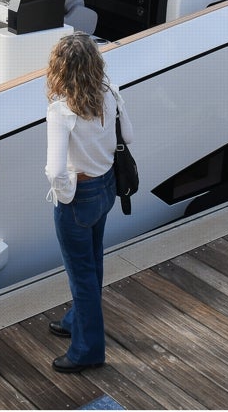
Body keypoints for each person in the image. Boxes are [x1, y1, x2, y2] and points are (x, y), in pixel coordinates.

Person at [44, 33, 133, 374]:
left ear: (59, 69)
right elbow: (128, 138)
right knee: (93, 263)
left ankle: (88, 350)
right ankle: (76, 319)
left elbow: (55, 170)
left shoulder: (61, 111)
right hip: (107, 187)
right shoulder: (109, 94)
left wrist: (66, 196)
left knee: (81, 274)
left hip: (78, 197)